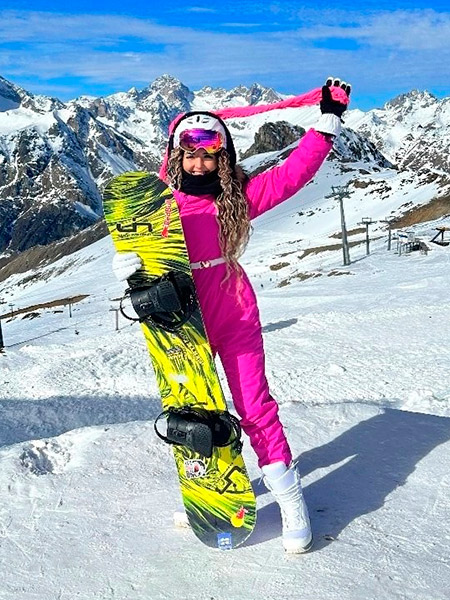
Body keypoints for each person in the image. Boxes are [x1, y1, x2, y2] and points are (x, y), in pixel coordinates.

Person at [112, 78, 351, 553]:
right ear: (175, 155)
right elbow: (136, 242)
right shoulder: (159, 205)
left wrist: (326, 124)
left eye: (209, 155)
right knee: (194, 407)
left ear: (223, 157)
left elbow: (292, 174)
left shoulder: (236, 199)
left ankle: (290, 501)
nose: (198, 163)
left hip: (233, 310)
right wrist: (128, 264)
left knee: (255, 407)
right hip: (180, 319)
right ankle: (211, 495)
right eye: (189, 154)